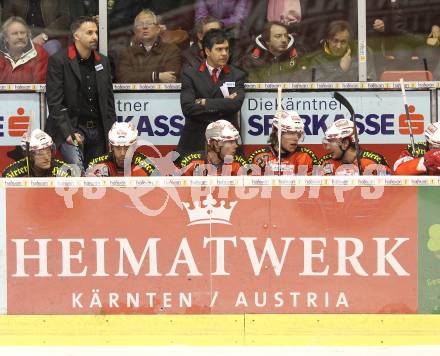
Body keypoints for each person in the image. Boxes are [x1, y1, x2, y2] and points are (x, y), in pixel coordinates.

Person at [45, 16, 116, 174]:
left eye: (96, 32)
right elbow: (55, 103)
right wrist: (68, 133)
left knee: (99, 176)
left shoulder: (103, 62)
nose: (95, 37)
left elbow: (109, 103)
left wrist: (112, 134)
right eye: (89, 32)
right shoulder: (59, 61)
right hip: (72, 128)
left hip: (98, 131)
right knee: (79, 174)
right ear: (76, 35)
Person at [177, 28, 246, 157]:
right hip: (196, 141)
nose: (224, 53)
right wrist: (224, 103)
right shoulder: (190, 74)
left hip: (228, 142)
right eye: (219, 49)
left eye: (226, 49)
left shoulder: (237, 75)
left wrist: (204, 102)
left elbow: (235, 105)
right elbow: (187, 108)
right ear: (207, 51)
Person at [115, 9, 182, 83]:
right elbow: (124, 79)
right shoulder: (126, 53)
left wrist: (137, 77)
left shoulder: (171, 50)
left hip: (162, 94)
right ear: (135, 30)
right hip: (134, 95)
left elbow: (170, 79)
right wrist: (155, 76)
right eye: (140, 24)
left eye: (149, 23)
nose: (144, 27)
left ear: (157, 29)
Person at [247, 110, 317, 175]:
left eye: (299, 133)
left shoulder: (306, 157)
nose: (296, 138)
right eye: (291, 133)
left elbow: (314, 186)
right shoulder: (260, 157)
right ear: (276, 132)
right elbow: (251, 186)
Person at [309, 20, 376, 82]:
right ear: (328, 40)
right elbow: (319, 89)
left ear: (348, 42)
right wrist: (341, 70)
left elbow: (371, 81)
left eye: (343, 42)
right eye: (335, 41)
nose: (338, 46)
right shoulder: (318, 61)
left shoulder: (361, 53)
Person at [319, 119, 391, 175]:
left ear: (345, 143)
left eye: (331, 141)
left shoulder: (374, 162)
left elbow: (391, 190)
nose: (328, 148)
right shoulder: (327, 163)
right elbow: (316, 191)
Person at [241, 21, 306, 82]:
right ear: (267, 40)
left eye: (286, 36)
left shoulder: (298, 58)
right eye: (278, 36)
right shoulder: (251, 60)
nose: (284, 40)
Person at [86, 122, 158, 177]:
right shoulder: (97, 164)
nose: (123, 153)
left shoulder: (147, 166)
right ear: (111, 147)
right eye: (118, 148)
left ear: (134, 147)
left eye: (127, 148)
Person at [179, 119, 246, 176]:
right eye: (230, 142)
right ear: (215, 144)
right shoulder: (193, 164)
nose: (236, 146)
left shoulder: (237, 165)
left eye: (235, 142)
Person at [2, 0, 70, 55]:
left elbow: (65, 19)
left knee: (51, 49)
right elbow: (7, 22)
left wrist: (44, 35)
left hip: (50, 38)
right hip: (23, 37)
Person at [2, 129, 71, 177]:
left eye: (48, 151)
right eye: (40, 153)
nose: (47, 157)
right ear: (29, 155)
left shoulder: (66, 171)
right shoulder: (11, 174)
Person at [0, 16, 48, 83]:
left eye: (22, 33)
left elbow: (40, 84)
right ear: (6, 38)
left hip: (31, 93)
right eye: (15, 34)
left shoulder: (39, 53)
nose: (20, 37)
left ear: (27, 35)